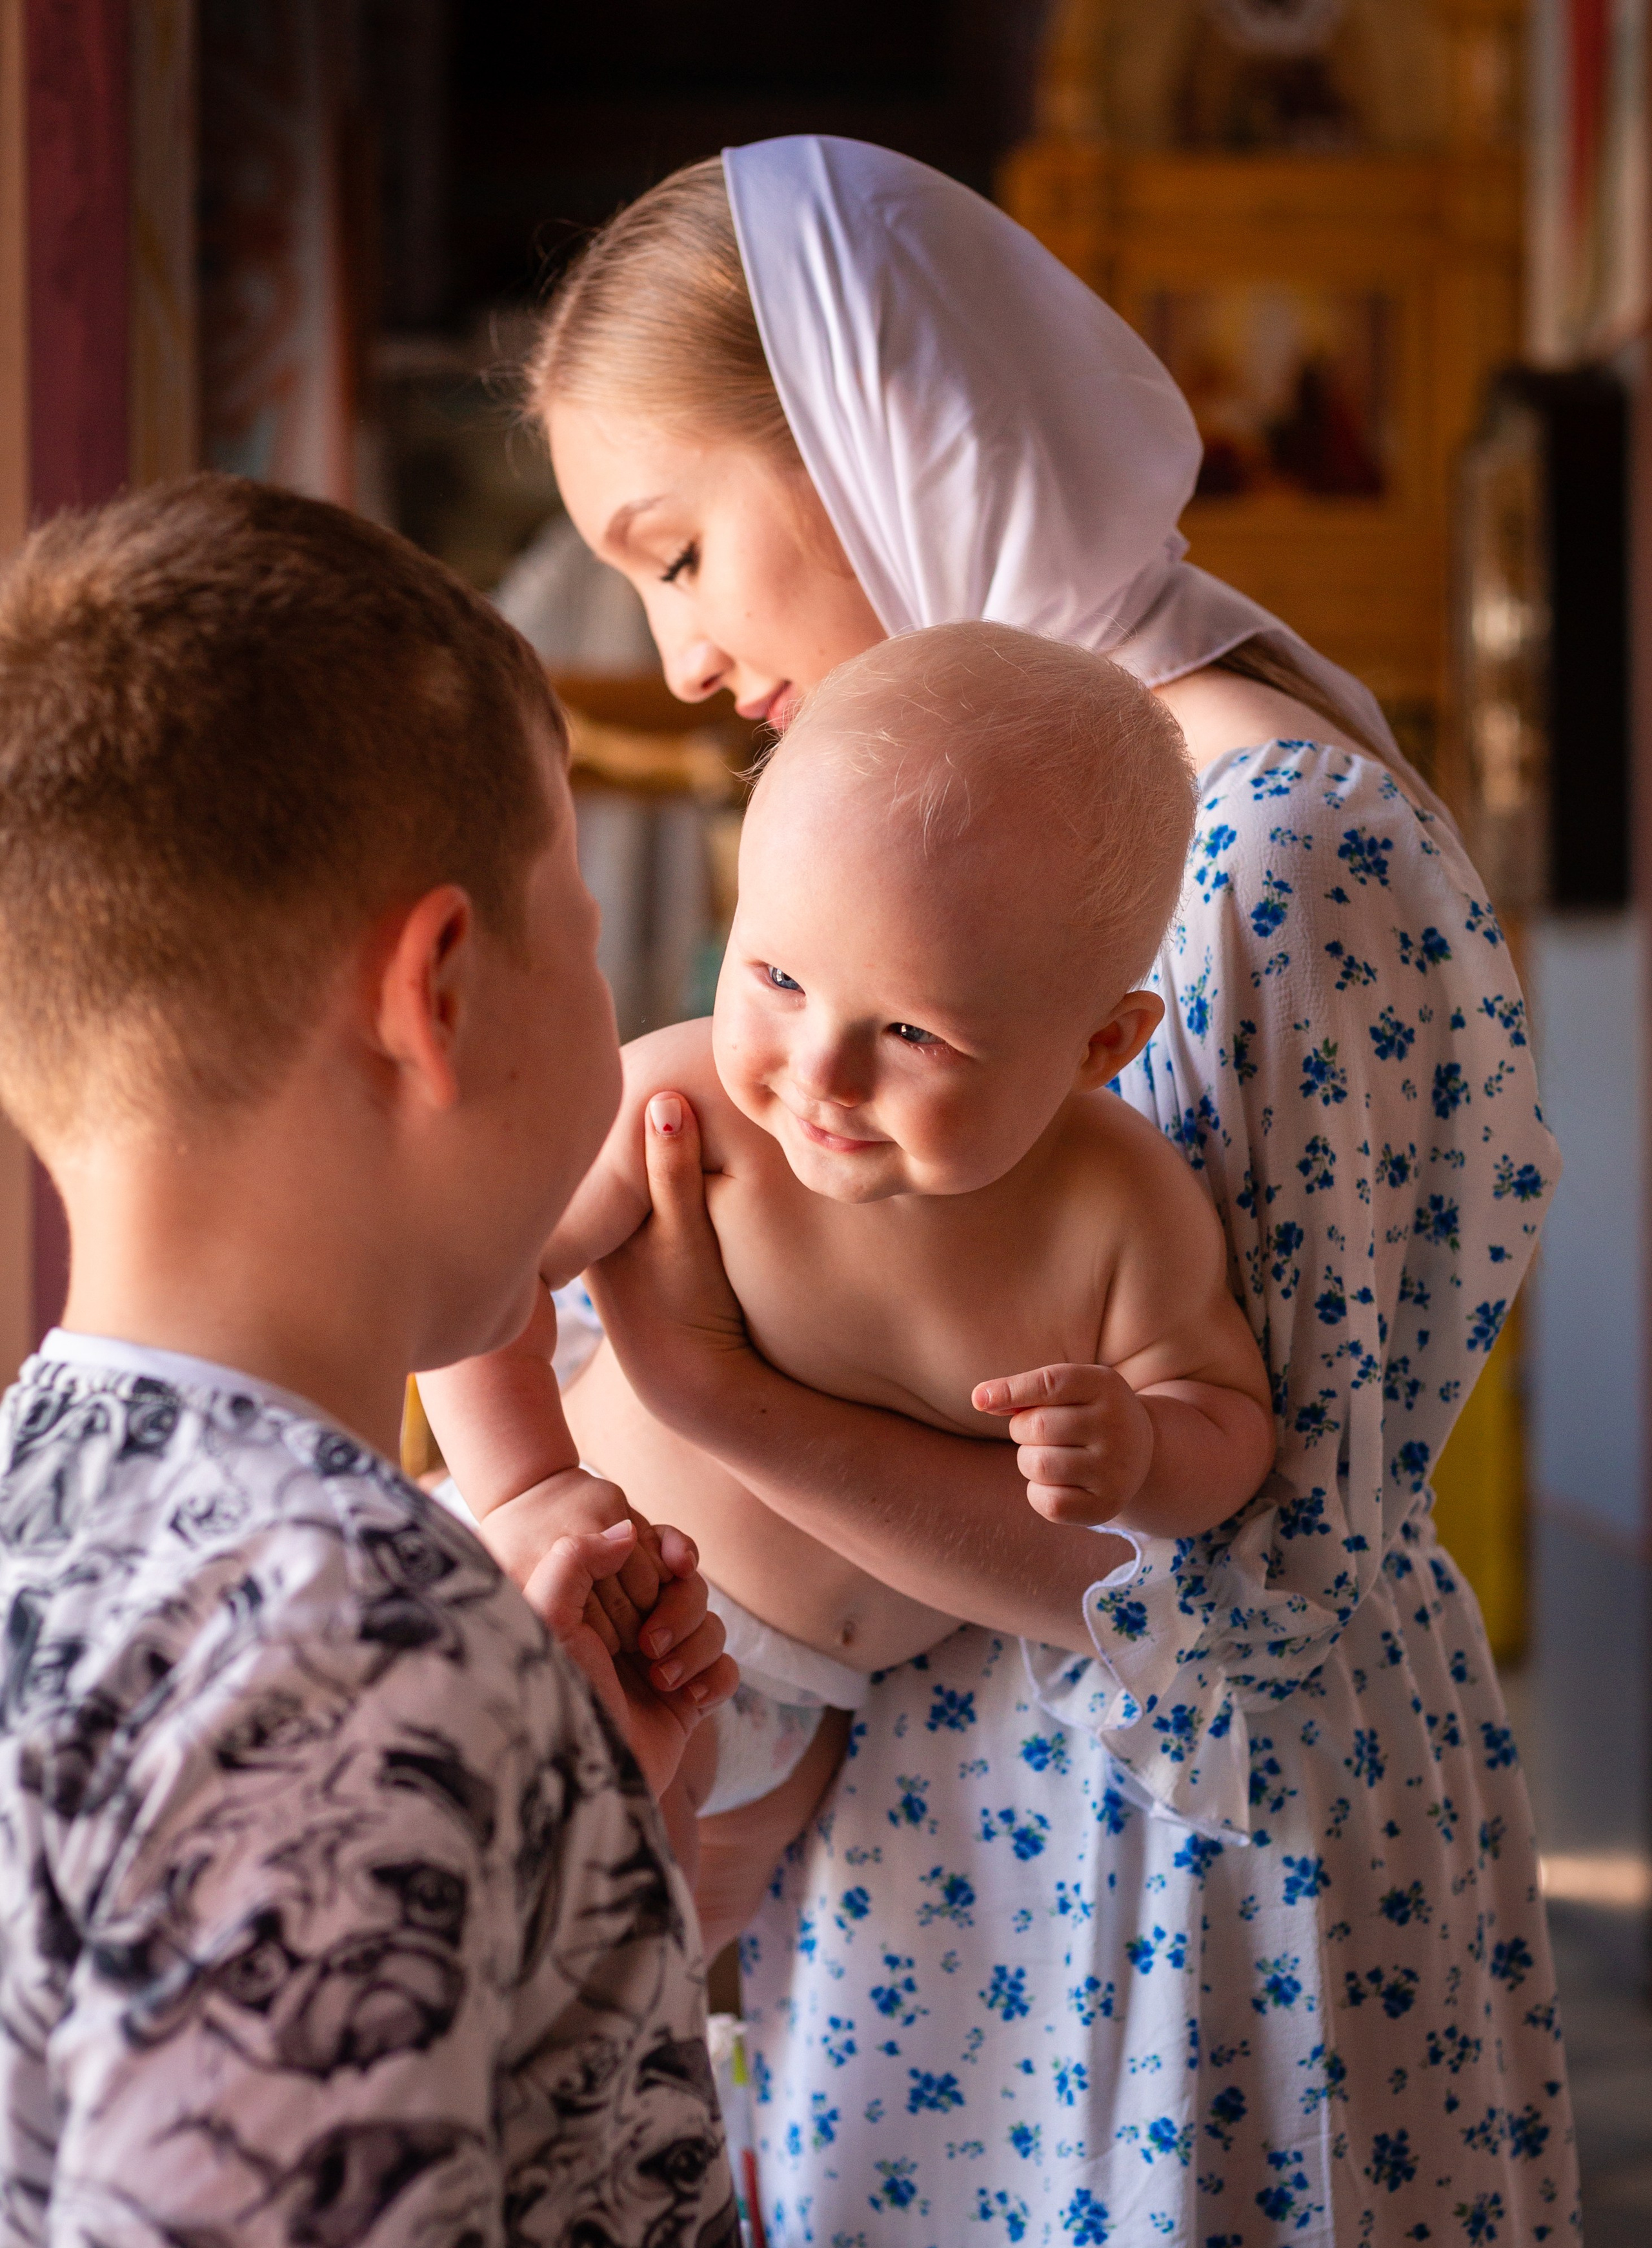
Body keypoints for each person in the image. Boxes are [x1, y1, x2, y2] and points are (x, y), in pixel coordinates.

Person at [508, 135, 1583, 2248]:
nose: (687, 655)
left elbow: (1260, 1593)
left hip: (1160, 1900)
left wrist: (709, 1394)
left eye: (685, 549)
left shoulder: (1265, 853)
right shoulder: (924, 841)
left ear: (880, 425)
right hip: (938, 1869)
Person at [0, 476, 752, 2248]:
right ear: (444, 985)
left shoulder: (42, 1491)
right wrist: (436, 1730)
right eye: (580, 921)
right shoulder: (349, 1650)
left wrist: (567, 1831)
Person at [421, 623, 1275, 1823]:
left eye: (915, 1034)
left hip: (796, 1707)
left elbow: (1228, 1430)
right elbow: (467, 1281)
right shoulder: (688, 1105)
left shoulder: (1118, 1217)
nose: (819, 1070)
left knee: (659, 1964)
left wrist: (1144, 1451)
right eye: (775, 977)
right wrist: (523, 1491)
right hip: (558, 1582)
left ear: (1099, 1046)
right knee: (482, 1876)